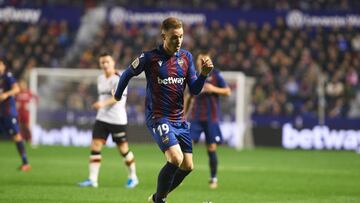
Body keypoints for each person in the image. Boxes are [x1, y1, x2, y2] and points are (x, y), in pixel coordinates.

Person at [114, 17, 213, 203]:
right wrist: (118, 95)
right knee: (175, 159)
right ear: (163, 36)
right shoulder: (149, 58)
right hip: (159, 117)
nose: (179, 41)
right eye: (174, 37)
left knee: (188, 166)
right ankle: (160, 201)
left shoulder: (186, 57)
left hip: (180, 119)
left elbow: (194, 90)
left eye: (181, 37)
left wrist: (203, 75)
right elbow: (127, 73)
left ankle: (156, 198)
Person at [79, 53, 139, 188]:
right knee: (95, 146)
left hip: (117, 119)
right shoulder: (100, 78)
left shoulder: (119, 78)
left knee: (123, 149)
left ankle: (133, 177)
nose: (105, 64)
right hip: (102, 118)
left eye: (107, 62)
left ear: (113, 63)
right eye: (102, 62)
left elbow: (118, 98)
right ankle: (92, 179)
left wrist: (102, 104)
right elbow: (103, 97)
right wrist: (101, 105)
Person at [185, 53, 231, 189]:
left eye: (206, 59)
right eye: (201, 59)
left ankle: (213, 179)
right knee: (187, 145)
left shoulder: (216, 75)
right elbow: (189, 97)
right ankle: (179, 175)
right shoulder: (192, 75)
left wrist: (213, 89)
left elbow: (228, 91)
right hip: (196, 118)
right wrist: (184, 115)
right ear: (197, 62)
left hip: (211, 118)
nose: (203, 61)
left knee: (211, 148)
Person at [0, 59, 31, 171]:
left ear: (3, 66)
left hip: (8, 112)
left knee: (16, 135)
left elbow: (16, 89)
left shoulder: (7, 76)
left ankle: (25, 162)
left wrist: (6, 95)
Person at [15, 79, 37, 144]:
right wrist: (16, 104)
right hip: (19, 112)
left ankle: (30, 139)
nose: (22, 86)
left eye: (23, 84)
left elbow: (35, 98)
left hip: (26, 113)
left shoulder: (28, 93)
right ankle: (22, 139)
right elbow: (13, 101)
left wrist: (31, 104)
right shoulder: (17, 93)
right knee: (20, 126)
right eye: (21, 84)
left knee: (26, 126)